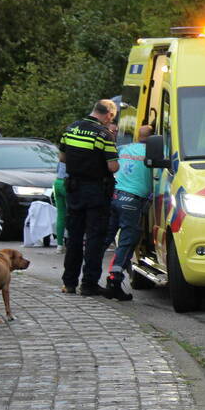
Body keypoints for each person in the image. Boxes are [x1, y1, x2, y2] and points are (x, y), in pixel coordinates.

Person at [59, 99, 119, 295]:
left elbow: (62, 158)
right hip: (96, 192)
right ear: (109, 115)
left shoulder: (71, 129)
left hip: (74, 189)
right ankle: (89, 284)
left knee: (74, 237)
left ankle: (69, 283)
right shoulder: (103, 134)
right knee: (95, 238)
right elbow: (113, 167)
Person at [102, 124, 154, 301]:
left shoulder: (125, 148)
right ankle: (114, 281)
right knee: (127, 240)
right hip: (132, 200)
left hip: (115, 195)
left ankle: (88, 278)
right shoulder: (156, 152)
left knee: (106, 237)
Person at [53, 159, 68, 253]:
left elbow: (57, 169)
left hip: (58, 182)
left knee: (60, 215)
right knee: (73, 214)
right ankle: (71, 242)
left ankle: (59, 245)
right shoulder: (76, 151)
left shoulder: (64, 153)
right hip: (68, 183)